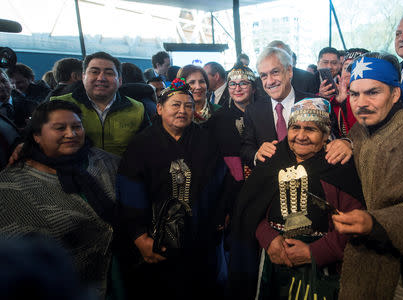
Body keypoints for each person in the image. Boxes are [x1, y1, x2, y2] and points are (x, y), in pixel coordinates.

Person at [332, 52, 403, 299]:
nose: (361, 103)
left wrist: (377, 223)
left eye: (373, 92)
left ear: (395, 94)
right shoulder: (361, 130)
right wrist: (346, 141)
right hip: (372, 263)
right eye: (355, 94)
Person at [229, 98, 364, 299]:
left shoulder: (339, 168)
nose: (300, 136)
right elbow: (250, 208)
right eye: (295, 128)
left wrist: (315, 252)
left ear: (326, 135)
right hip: (272, 263)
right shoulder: (272, 161)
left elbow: (355, 224)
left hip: (322, 271)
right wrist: (269, 239)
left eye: (310, 129)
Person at [116, 78, 231, 299]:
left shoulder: (206, 141)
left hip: (201, 237)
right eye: (175, 105)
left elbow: (221, 182)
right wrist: (139, 236)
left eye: (188, 106)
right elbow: (130, 193)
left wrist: (220, 218)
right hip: (157, 239)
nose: (182, 111)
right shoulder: (141, 144)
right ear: (159, 108)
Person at [0, 100, 119, 299]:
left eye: (76, 127)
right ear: (37, 135)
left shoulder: (106, 163)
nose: (71, 134)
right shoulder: (11, 185)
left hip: (119, 279)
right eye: (59, 128)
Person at [241, 47, 351, 169]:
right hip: (270, 182)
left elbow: (336, 139)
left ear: (289, 71)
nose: (270, 81)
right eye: (264, 76)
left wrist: (345, 143)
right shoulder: (253, 111)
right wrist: (257, 154)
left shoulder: (317, 103)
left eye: (275, 72)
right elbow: (246, 149)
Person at [51, 51, 149, 156]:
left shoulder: (137, 108)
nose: (101, 78)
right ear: (83, 77)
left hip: (124, 171)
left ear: (120, 81)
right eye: (94, 72)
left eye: (109, 73)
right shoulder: (58, 105)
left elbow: (146, 147)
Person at [331, 48, 368, 137]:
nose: (348, 72)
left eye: (354, 67)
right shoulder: (334, 97)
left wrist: (345, 102)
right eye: (346, 67)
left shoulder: (371, 97)